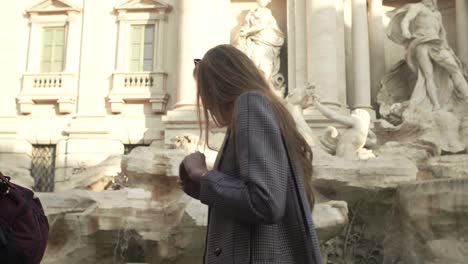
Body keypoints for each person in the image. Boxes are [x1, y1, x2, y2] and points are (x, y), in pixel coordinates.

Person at [178, 45, 322, 263]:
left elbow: (265, 202)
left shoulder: (249, 104)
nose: (205, 103)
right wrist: (202, 188)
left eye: (203, 91)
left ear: (216, 87)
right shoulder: (266, 108)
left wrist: (203, 174)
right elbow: (261, 194)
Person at [387, 0, 468, 110]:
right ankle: (436, 105)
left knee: (455, 68)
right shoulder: (417, 7)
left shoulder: (437, 14)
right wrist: (405, 30)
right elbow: (406, 20)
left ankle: (466, 97)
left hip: (437, 43)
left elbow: (442, 33)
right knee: (428, 76)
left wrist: (447, 47)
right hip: (421, 43)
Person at [236, 0, 284, 91]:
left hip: (267, 41)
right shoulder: (251, 14)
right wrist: (243, 31)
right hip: (254, 41)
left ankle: (266, 88)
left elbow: (263, 25)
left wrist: (248, 32)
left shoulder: (267, 12)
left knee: (265, 66)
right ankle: (256, 87)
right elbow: (245, 26)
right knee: (254, 63)